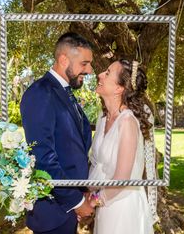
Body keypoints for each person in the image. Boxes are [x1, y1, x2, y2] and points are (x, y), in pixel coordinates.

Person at [20, 32, 94, 234]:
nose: (89, 70)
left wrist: (84, 191)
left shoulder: (64, 93)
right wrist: (77, 201)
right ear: (63, 60)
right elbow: (42, 157)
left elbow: (73, 149)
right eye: (84, 63)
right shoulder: (40, 93)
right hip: (52, 213)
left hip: (65, 212)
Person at [88, 59, 154, 234]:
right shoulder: (104, 118)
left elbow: (123, 178)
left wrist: (94, 201)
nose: (99, 75)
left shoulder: (127, 121)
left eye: (107, 73)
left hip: (123, 208)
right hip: (106, 205)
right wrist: (89, 194)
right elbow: (98, 166)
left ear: (119, 88)